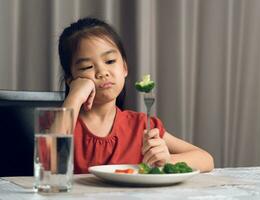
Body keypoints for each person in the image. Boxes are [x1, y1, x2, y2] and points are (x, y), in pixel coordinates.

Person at [58, 17, 214, 174]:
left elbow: (206, 159)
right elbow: (48, 161)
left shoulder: (141, 126)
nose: (102, 72)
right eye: (87, 67)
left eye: (110, 61)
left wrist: (166, 160)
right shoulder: (65, 124)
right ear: (71, 79)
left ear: (124, 68)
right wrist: (75, 96)